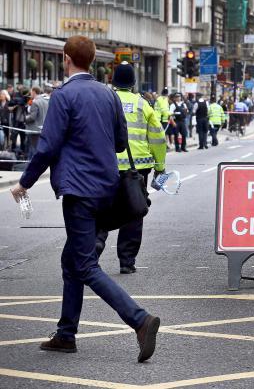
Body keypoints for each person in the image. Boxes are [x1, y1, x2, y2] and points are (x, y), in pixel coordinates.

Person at [9, 36, 160, 361]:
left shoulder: (64, 95)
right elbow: (120, 142)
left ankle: (139, 320)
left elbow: (48, 147)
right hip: (108, 186)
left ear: (66, 58)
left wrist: (24, 182)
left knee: (85, 264)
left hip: (79, 191)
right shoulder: (108, 95)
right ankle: (66, 334)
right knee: (71, 261)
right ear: (92, 60)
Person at [95, 62, 167, 274]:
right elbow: (158, 137)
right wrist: (160, 166)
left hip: (107, 165)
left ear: (113, 81)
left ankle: (96, 243)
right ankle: (127, 261)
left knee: (102, 208)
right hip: (138, 168)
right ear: (134, 82)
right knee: (134, 211)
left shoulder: (104, 101)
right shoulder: (142, 104)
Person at [24, 85, 50, 158]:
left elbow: (32, 117)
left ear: (34, 92)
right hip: (42, 128)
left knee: (33, 149)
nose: (30, 93)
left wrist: (24, 118)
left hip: (34, 129)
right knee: (37, 148)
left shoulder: (35, 102)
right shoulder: (45, 101)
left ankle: (31, 163)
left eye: (31, 92)